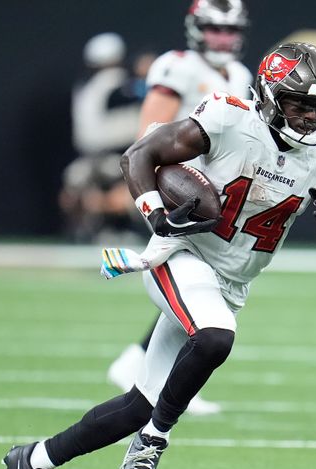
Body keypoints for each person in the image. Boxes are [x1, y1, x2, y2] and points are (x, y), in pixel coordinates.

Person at [4, 42, 316, 469]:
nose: (307, 116)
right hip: (183, 253)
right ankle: (153, 442)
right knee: (215, 338)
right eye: (298, 103)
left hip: (231, 283)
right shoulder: (230, 118)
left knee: (139, 403)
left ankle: (34, 461)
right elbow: (139, 154)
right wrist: (157, 217)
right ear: (270, 96)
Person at [106, 0, 254, 415]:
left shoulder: (240, 75)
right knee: (197, 287)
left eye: (229, 30)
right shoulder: (178, 66)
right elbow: (148, 134)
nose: (222, 38)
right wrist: (161, 190)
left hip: (212, 200)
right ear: (196, 29)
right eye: (213, 29)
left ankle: (141, 366)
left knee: (199, 289)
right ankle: (154, 376)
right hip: (177, 193)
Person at [59, 33, 153, 243]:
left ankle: (102, 228)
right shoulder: (113, 82)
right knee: (129, 192)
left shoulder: (85, 85)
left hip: (93, 154)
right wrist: (148, 76)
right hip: (115, 154)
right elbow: (137, 93)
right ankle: (108, 228)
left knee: (86, 191)